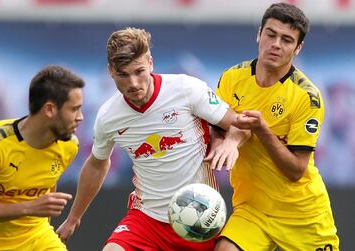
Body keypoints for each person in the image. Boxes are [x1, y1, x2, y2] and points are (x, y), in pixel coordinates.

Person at [56, 27, 248, 251]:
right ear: (110, 71)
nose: (134, 84)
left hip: (199, 216)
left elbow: (239, 124)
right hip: (146, 220)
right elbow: (98, 163)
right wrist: (73, 218)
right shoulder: (108, 116)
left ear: (150, 62)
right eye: (123, 75)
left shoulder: (186, 89)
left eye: (139, 71)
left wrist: (231, 142)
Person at [213, 3, 340, 251]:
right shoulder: (232, 78)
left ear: (298, 48)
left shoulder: (306, 96)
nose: (276, 44)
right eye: (271, 34)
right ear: (259, 34)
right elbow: (217, 126)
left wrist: (262, 130)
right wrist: (222, 143)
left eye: (287, 40)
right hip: (252, 210)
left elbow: (295, 170)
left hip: (302, 216)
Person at [0, 65, 85, 250]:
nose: (80, 117)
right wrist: (30, 207)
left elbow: (48, 188)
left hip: (38, 237)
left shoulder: (69, 145)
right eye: (74, 109)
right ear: (50, 110)